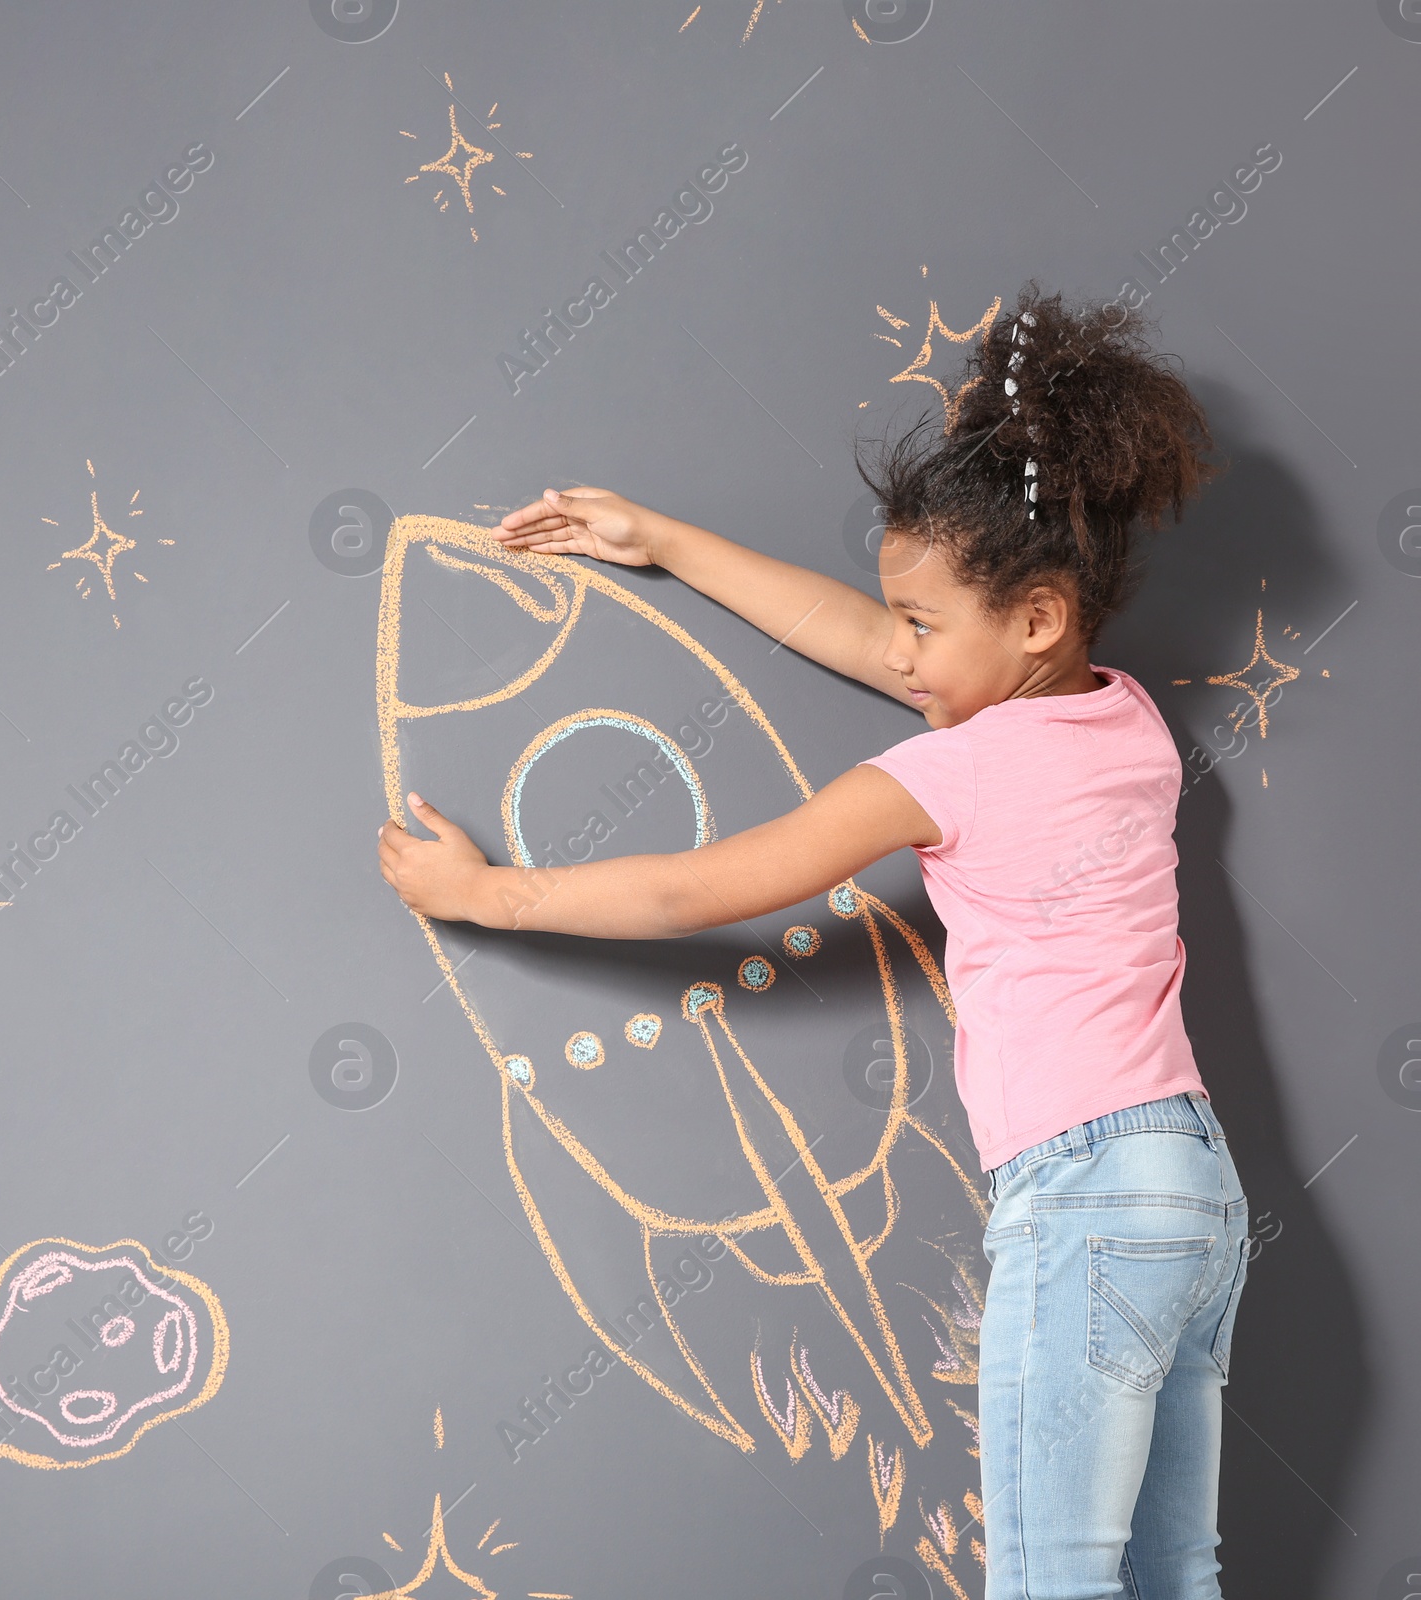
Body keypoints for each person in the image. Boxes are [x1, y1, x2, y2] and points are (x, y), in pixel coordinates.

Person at [377, 282, 1251, 1598]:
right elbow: (871, 639)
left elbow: (703, 891)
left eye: (920, 625)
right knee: (1176, 1575)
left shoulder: (952, 774)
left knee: (1049, 1581)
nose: (896, 650)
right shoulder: (1123, 723)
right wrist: (658, 540)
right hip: (1191, 1188)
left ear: (1034, 621)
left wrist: (490, 897)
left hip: (1080, 1197)